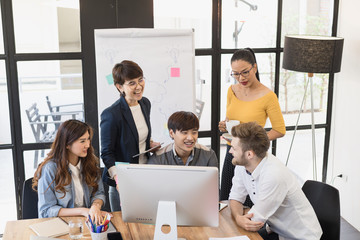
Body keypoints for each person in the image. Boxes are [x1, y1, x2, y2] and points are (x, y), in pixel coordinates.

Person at [228, 122, 322, 240]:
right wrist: (238, 217)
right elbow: (235, 198)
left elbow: (253, 222)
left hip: (300, 237)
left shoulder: (274, 175)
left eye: (234, 148)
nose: (230, 151)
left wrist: (241, 219)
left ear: (249, 154)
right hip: (278, 231)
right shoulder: (243, 165)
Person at [218, 48, 286, 201]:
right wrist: (224, 125)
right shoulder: (232, 90)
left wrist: (254, 143)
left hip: (252, 157)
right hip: (232, 153)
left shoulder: (268, 96)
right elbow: (230, 119)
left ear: (254, 67)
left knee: (248, 206)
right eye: (235, 73)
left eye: (244, 72)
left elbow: (280, 130)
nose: (240, 77)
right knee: (226, 200)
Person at [100, 60, 159, 211]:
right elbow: (107, 153)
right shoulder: (112, 114)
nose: (139, 86)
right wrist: (118, 178)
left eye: (140, 80)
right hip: (123, 181)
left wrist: (150, 144)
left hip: (144, 175)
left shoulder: (145, 104)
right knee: (126, 230)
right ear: (120, 87)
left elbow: (136, 135)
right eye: (132, 83)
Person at [33, 120, 109, 224]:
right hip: (60, 224)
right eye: (82, 141)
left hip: (87, 221)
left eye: (88, 139)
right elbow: (46, 210)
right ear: (67, 144)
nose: (88, 145)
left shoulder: (90, 162)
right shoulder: (49, 169)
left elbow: (98, 193)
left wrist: (95, 207)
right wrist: (83, 211)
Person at [148, 111, 218, 167]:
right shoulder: (158, 158)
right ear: (172, 133)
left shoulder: (208, 155)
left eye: (194, 132)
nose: (190, 138)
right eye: (184, 133)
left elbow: (214, 183)